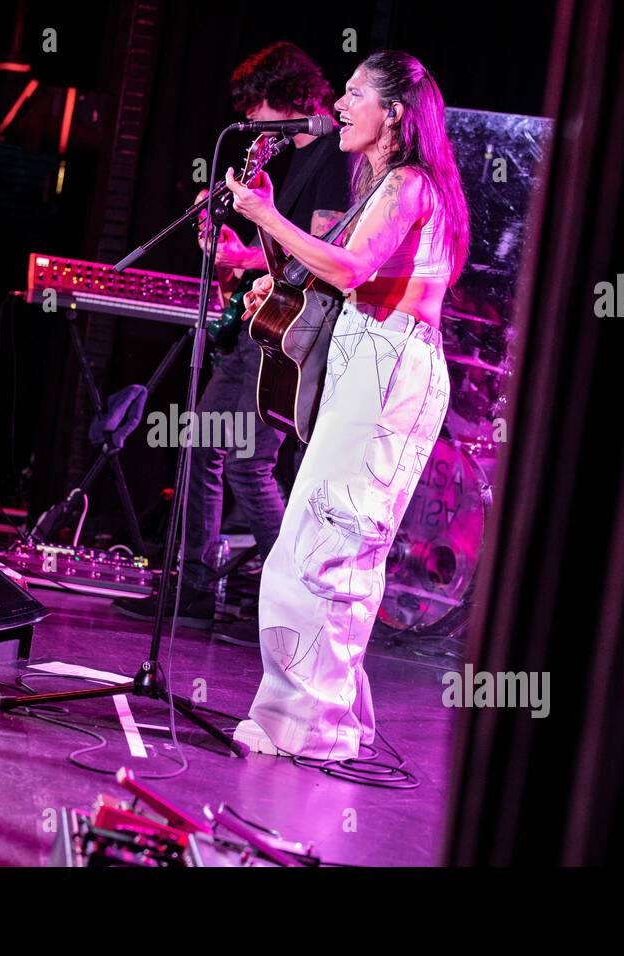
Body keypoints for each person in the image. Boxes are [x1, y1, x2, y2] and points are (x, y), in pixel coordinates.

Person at [223, 50, 469, 759]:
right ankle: (321, 719)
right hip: (370, 363)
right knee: (324, 546)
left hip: (390, 372)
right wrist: (266, 242)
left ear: (394, 113)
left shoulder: (411, 185)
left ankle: (313, 727)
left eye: (356, 94)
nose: (339, 105)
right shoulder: (382, 183)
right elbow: (332, 277)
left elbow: (352, 270)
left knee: (332, 547)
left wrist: (266, 213)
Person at [113, 41, 351, 636]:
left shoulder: (333, 158)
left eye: (259, 109)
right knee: (217, 453)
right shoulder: (294, 158)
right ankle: (214, 593)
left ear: (292, 100)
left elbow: (322, 257)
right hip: (260, 327)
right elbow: (283, 250)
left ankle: (282, 606)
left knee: (242, 462)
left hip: (288, 335)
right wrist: (231, 245)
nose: (252, 123)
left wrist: (249, 245)